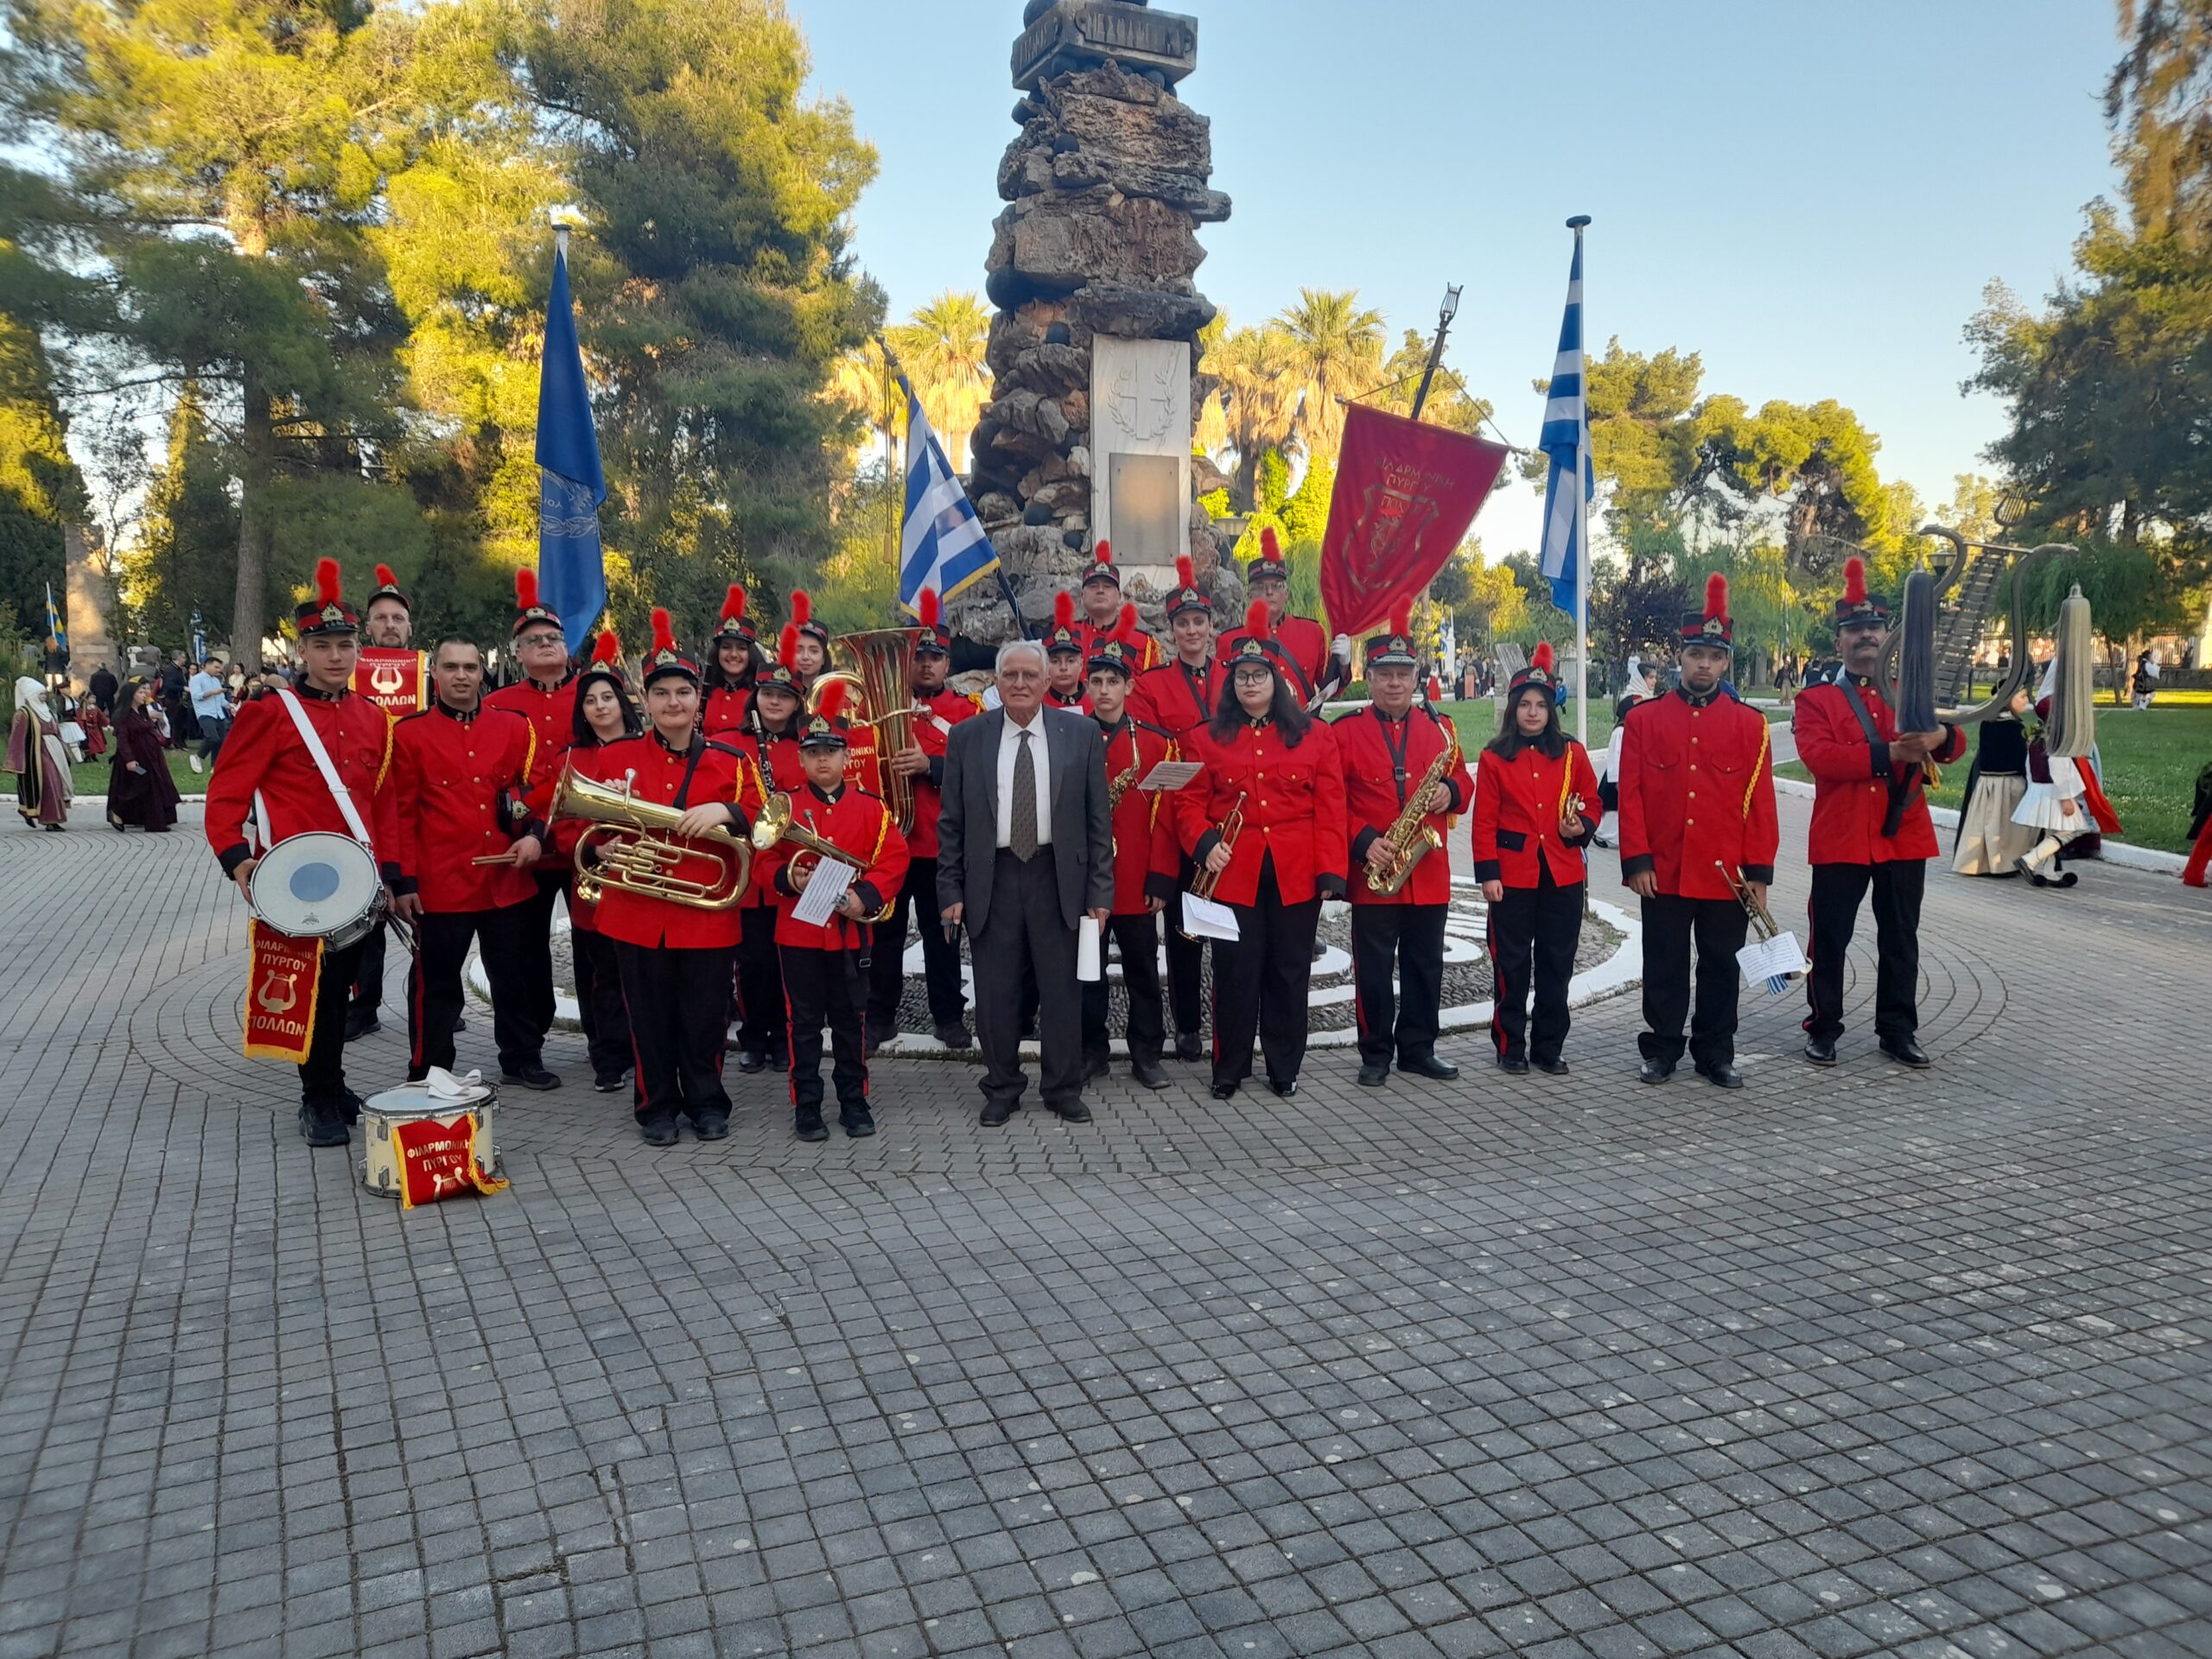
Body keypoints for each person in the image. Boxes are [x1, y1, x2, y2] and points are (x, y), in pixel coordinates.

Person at [204, 559, 400, 1145]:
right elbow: (226, 792)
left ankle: (333, 1084)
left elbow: (383, 804)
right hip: (293, 883)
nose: (336, 657)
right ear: (303, 650)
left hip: (357, 881)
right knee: (306, 993)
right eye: (323, 646)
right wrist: (237, 858)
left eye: (345, 645)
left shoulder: (375, 719)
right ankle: (316, 1098)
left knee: (341, 990)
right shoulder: (270, 714)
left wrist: (390, 875)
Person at [577, 610, 760, 1146]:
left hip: (706, 916)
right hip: (636, 915)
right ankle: (656, 1107)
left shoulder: (730, 759)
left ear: (697, 698)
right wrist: (604, 845)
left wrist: (727, 812)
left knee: (705, 1017)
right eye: (662, 693)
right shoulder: (616, 756)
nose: (673, 702)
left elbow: (766, 816)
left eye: (683, 691)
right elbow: (582, 826)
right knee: (648, 1019)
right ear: (647, 700)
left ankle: (706, 1102)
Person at [1791, 556, 1966, 1068]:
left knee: (1900, 939)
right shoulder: (1816, 699)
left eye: (1874, 627)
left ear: (1889, 634)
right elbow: (1820, 758)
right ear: (1839, 641)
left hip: (1903, 834)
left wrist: (1941, 737)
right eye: (1855, 629)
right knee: (1829, 939)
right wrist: (1889, 753)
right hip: (1842, 836)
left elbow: (1954, 743)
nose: (1866, 636)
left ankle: (1898, 1030)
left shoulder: (1913, 688)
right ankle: (1823, 1026)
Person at [937, 639, 1115, 1127]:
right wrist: (949, 890)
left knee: (1062, 991)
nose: (1019, 684)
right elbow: (951, 824)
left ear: (1046, 683)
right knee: (995, 993)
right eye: (1010, 675)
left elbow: (1099, 823)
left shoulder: (1080, 734)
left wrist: (1101, 894)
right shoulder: (967, 737)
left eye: (1029, 676)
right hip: (991, 877)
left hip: (1058, 875)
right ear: (996, 681)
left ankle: (1061, 1087)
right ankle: (1002, 1086)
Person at [1175, 604, 1349, 1101]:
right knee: (1234, 971)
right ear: (1230, 683)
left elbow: (1330, 807)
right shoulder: (1205, 739)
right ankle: (1229, 1068)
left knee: (1289, 971)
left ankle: (1283, 1065)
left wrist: (1332, 872)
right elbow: (1187, 805)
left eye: (1259, 675)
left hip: (1296, 873)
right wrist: (1205, 843)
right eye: (1242, 677)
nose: (1250, 684)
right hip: (1234, 873)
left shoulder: (1315, 737)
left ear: (1278, 680)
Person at [1618, 576, 1780, 1089]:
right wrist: (1637, 860)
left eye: (1713, 655)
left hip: (1725, 873)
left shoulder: (1750, 726)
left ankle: (1715, 1052)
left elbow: (1761, 804)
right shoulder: (1645, 721)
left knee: (1720, 966)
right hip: (1662, 867)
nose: (1703, 664)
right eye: (1695, 654)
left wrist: (1758, 872)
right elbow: (1632, 797)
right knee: (1664, 963)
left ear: (1725, 661)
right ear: (1679, 658)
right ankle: (1662, 1049)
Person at [388, 639, 554, 1084]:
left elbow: (536, 794)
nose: (461, 676)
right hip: (442, 883)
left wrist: (535, 837)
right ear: (435, 675)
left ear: (483, 672)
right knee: (437, 986)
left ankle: (522, 1058)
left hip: (505, 877)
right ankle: (429, 1070)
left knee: (514, 978)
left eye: (470, 667)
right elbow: (399, 814)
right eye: (450, 667)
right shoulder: (407, 734)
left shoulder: (516, 727)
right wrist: (402, 882)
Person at [759, 682, 908, 1141]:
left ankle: (853, 1100)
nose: (822, 760)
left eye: (831, 751)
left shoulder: (872, 809)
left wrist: (866, 894)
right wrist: (789, 878)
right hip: (799, 934)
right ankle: (807, 1105)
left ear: (847, 757)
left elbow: (894, 859)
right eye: (812, 752)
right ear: (800, 759)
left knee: (850, 1022)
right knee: (801, 1023)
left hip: (850, 935)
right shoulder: (783, 808)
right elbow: (763, 859)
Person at [1335, 604, 1472, 1090]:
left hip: (1427, 870)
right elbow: (1334, 801)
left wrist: (1450, 792)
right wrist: (1365, 842)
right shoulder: (1345, 732)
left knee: (1425, 965)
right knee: (1372, 969)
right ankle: (1375, 1053)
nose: (1394, 683)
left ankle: (1419, 1049)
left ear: (1417, 677)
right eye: (1384, 674)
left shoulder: (1442, 728)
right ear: (1368, 678)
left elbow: (1464, 781)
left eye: (1403, 673)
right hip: (1376, 869)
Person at [1471, 644, 1599, 1076]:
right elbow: (1484, 821)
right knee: (1511, 964)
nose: (1532, 712)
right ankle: (1510, 1045)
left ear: (1551, 710)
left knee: (1556, 963)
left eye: (1540, 705)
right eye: (1524, 704)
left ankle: (1548, 1047)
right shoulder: (1493, 757)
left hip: (1561, 874)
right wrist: (1488, 874)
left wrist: (1580, 826)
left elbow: (1593, 804)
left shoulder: (1571, 754)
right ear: (1513, 709)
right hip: (1512, 876)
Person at [867, 589, 979, 1055]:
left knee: (943, 936)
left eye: (936, 656)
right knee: (886, 935)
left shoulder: (969, 712)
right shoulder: (880, 706)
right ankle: (879, 1017)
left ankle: (949, 1017)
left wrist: (931, 767)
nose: (928, 665)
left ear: (948, 663)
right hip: (889, 842)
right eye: (920, 656)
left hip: (939, 844)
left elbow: (980, 771)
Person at [481, 568, 578, 1090]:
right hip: (524, 847)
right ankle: (523, 1049)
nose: (545, 645)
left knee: (596, 947)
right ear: (517, 652)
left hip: (585, 844)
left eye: (553, 638)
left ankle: (614, 1045)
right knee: (519, 952)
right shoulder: (496, 705)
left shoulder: (592, 693)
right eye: (533, 640)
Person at [1081, 607, 1179, 1090]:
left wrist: (1162, 876)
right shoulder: (1068, 742)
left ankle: (1147, 1053)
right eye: (1095, 679)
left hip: (1139, 883)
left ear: (1129, 686)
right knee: (1087, 974)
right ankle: (1091, 1051)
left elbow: (1169, 820)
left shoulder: (1160, 746)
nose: (1103, 690)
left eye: (1112, 681)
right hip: (1085, 886)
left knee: (1143, 972)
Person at [1129, 555, 1218, 1062]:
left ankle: (1229, 1016)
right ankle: (1187, 1027)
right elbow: (1148, 757)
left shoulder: (1235, 677)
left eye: (1198, 622)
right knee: (1184, 934)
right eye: (1182, 623)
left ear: (1210, 627)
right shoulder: (1150, 685)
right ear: (1171, 630)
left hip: (1230, 823)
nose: (1191, 630)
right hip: (1180, 823)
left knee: (1232, 930)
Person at [555, 631, 643, 1093]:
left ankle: (643, 1049)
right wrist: (593, 849)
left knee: (642, 973)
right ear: (582, 710)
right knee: (602, 976)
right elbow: (561, 822)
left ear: (622, 703)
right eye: (591, 700)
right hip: (596, 877)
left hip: (645, 880)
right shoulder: (570, 757)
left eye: (608, 697)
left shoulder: (649, 748)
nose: (600, 706)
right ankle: (608, 1057)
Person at [346, 564, 429, 1039]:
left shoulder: (426, 673)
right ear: (369, 626)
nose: (390, 625)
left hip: (419, 809)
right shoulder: (349, 671)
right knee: (368, 923)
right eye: (382, 618)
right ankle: (364, 1009)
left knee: (428, 919)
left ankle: (432, 998)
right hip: (368, 812)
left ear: (409, 626)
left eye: (398, 618)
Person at [724, 627, 806, 1073]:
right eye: (767, 693)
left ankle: (783, 1038)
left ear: (797, 703)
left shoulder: (808, 746)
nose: (774, 702)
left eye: (784, 696)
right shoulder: (730, 744)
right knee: (751, 963)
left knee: (786, 961)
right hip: (746, 870)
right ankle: (754, 1036)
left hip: (791, 867)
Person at [2013, 589, 2123, 887]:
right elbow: (2061, 761)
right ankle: (2033, 859)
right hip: (2059, 771)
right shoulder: (2057, 720)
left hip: (2046, 768)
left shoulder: (2042, 727)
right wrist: (2066, 796)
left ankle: (2046, 869)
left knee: (2053, 827)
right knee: (2072, 828)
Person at [1213, 528, 1351, 705]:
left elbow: (1331, 690)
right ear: (1249, 596)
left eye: (1276, 586)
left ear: (1286, 593)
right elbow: (1222, 696)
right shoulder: (1229, 641)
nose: (1269, 592)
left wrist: (1344, 664)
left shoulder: (1313, 632)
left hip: (1300, 728)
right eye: (1261, 587)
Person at [1952, 688, 2037, 877]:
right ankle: (2003, 863)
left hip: (1987, 783)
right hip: (2009, 783)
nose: (2025, 701)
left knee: (1986, 823)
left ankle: (1981, 863)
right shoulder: (2014, 728)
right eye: (2022, 697)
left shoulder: (1988, 723)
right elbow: (2019, 759)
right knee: (2004, 827)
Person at [106, 678, 181, 833]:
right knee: (138, 787)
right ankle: (118, 812)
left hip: (150, 756)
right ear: (131, 695)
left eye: (144, 691)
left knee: (151, 787)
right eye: (140, 692)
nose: (144, 694)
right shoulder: (124, 715)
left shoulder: (142, 712)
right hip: (136, 757)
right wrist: (129, 759)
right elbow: (122, 739)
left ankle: (154, 820)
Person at [1074, 543, 1159, 671]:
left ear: (1119, 596)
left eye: (1107, 586)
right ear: (1082, 596)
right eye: (1093, 586)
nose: (1100, 590)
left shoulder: (1142, 643)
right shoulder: (1070, 635)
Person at [7, 677, 71, 830]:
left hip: (54, 750)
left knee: (58, 782)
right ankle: (50, 820)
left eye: (44, 694)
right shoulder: (24, 714)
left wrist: (64, 749)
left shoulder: (47, 710)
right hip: (38, 754)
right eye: (40, 694)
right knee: (50, 783)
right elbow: (17, 738)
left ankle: (36, 814)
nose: (44, 697)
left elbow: (56, 731)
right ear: (31, 695)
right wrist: (14, 761)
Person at [701, 584, 758, 736]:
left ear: (751, 653)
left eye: (741, 648)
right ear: (717, 652)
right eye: (726, 647)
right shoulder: (701, 694)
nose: (733, 654)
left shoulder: (760, 695)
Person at [1042, 593, 1092, 711]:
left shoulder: (1096, 704)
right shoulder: (1035, 705)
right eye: (1055, 661)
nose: (1063, 667)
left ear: (1081, 664)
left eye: (1070, 660)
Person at [185, 656, 229, 775]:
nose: (218, 670)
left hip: (218, 713)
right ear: (207, 665)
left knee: (221, 741)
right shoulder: (197, 679)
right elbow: (197, 696)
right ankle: (198, 756)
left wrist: (231, 706)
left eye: (220, 668)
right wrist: (213, 692)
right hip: (205, 713)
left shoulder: (216, 680)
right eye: (216, 667)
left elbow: (221, 700)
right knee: (212, 737)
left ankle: (215, 766)